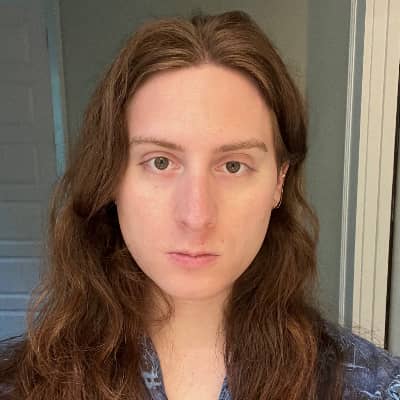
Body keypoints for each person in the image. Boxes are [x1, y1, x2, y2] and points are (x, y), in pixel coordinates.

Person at [1, 9, 399, 400]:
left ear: (279, 181)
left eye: (233, 165)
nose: (196, 216)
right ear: (111, 176)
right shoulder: (19, 385)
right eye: (160, 162)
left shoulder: (375, 388)